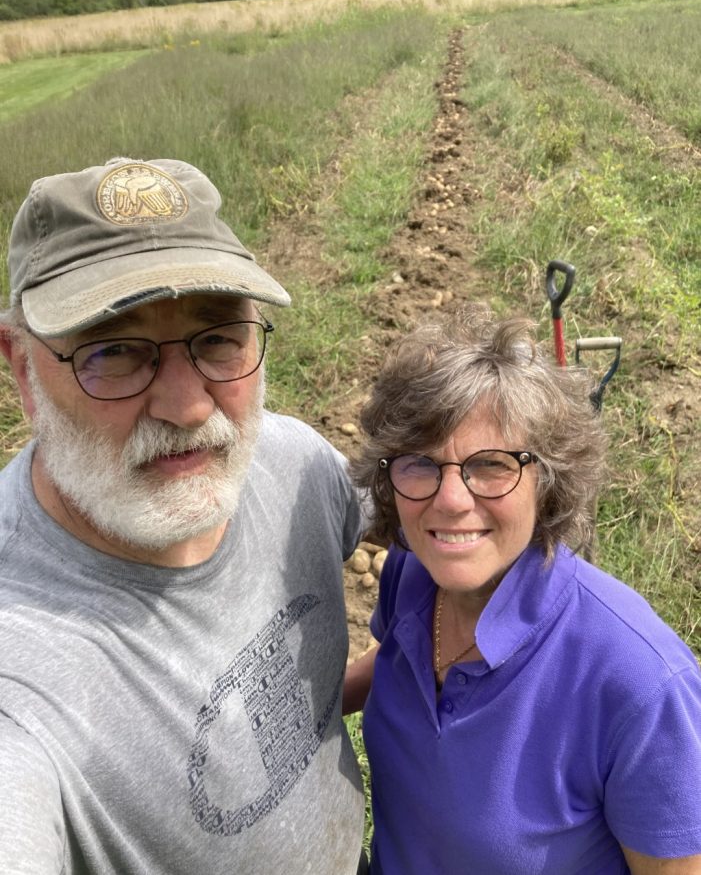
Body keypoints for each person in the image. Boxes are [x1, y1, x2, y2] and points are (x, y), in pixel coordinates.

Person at [0, 157, 367, 874]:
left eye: (219, 337)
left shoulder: (293, 466)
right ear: (20, 367)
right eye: (113, 351)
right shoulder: (21, 669)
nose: (190, 406)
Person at [346, 305, 701, 875]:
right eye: (420, 463)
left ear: (549, 479)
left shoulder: (642, 688)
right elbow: (393, 658)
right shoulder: (411, 575)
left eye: (491, 465)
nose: (452, 500)